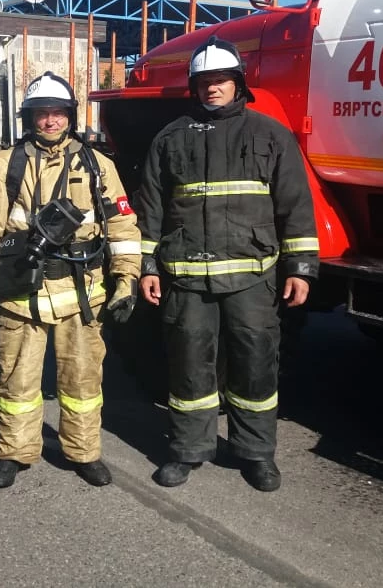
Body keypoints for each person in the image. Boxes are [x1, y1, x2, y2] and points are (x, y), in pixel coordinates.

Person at [135, 37, 319, 492]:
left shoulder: (270, 134)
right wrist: (147, 266)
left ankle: (256, 453)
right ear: (194, 86)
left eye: (221, 80)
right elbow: (151, 207)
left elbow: (295, 204)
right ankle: (188, 450)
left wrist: (301, 267)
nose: (212, 88)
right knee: (188, 365)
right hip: (186, 277)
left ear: (238, 83)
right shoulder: (170, 138)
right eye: (204, 82)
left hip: (252, 277)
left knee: (255, 364)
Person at [0, 71, 141, 489]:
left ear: (70, 115)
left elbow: (122, 226)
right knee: (17, 380)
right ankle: (14, 453)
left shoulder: (98, 165)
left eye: (57, 112)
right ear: (30, 117)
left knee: (82, 380)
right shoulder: (5, 165)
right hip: (21, 291)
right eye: (41, 112)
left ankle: (83, 452)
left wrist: (126, 279)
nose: (50, 120)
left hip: (82, 292)